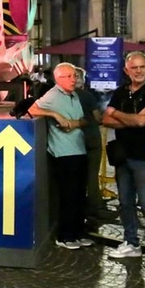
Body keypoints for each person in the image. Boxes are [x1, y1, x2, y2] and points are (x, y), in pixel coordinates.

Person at [102, 52, 145, 270]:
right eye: (134, 68)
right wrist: (130, 120)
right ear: (126, 70)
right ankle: (131, 243)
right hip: (123, 156)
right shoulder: (120, 92)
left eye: (142, 67)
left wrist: (118, 114)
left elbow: (143, 121)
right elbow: (105, 119)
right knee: (125, 203)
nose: (138, 71)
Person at [28, 63, 93, 250]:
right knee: (68, 196)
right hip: (63, 153)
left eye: (74, 76)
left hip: (79, 149)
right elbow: (32, 109)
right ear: (58, 79)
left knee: (80, 195)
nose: (73, 79)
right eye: (69, 76)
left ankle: (78, 233)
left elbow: (86, 120)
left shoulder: (75, 95)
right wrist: (54, 114)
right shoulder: (53, 95)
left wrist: (74, 123)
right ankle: (65, 236)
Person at [73, 67, 108, 222]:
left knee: (77, 175)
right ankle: (96, 207)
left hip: (74, 140)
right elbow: (97, 117)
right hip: (92, 138)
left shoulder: (66, 96)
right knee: (92, 175)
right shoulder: (87, 96)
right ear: (82, 80)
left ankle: (79, 206)